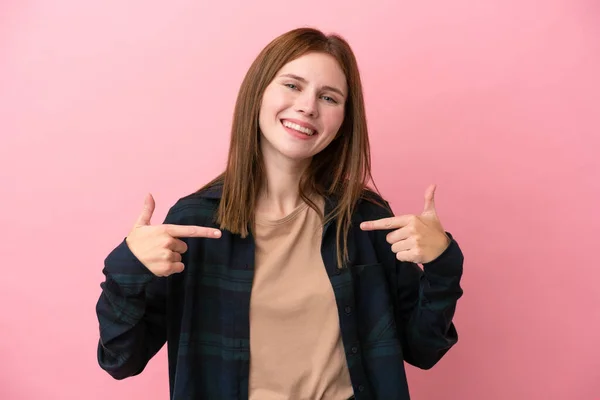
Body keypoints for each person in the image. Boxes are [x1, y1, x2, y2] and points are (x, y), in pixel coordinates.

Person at [96, 27, 464, 400]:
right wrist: (129, 268)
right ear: (258, 93)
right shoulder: (196, 223)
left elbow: (424, 349)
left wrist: (442, 263)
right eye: (292, 85)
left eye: (329, 97)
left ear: (343, 121)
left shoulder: (364, 219)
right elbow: (121, 360)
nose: (308, 106)